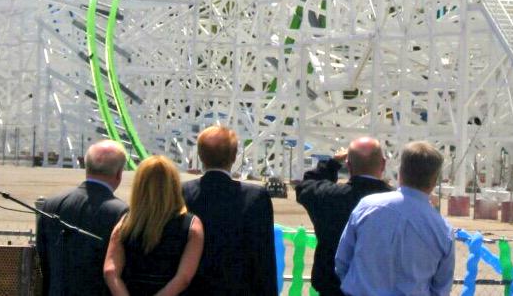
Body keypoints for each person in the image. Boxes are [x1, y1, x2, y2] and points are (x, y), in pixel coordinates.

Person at [335, 141, 454, 296]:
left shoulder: (368, 206)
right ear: (434, 179)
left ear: (400, 172)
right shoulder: (443, 230)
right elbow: (441, 288)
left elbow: (342, 261)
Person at [182, 126, 277, 296]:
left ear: (201, 156)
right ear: (234, 157)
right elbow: (264, 257)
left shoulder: (183, 193)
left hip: (194, 289)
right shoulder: (255, 197)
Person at [295, 137, 390, 296]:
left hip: (333, 289)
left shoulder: (329, 196)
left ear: (348, 165)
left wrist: (332, 164)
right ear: (383, 164)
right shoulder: (398, 203)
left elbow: (306, 186)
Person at [36, 140, 128, 296]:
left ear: (86, 167)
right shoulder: (121, 212)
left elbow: (42, 260)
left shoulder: (51, 205)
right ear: (119, 174)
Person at [104, 155, 203, 296]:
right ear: (173, 184)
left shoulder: (126, 221)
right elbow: (183, 278)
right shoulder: (191, 225)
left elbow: (110, 271)